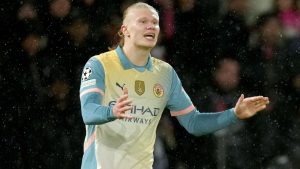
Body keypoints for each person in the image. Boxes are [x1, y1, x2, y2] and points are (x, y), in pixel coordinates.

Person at [79, 2, 269, 169]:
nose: (151, 26)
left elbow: (194, 123)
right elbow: (88, 112)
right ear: (125, 30)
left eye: (155, 22)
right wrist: (111, 112)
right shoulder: (99, 64)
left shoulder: (165, 73)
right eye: (143, 21)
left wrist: (233, 114)